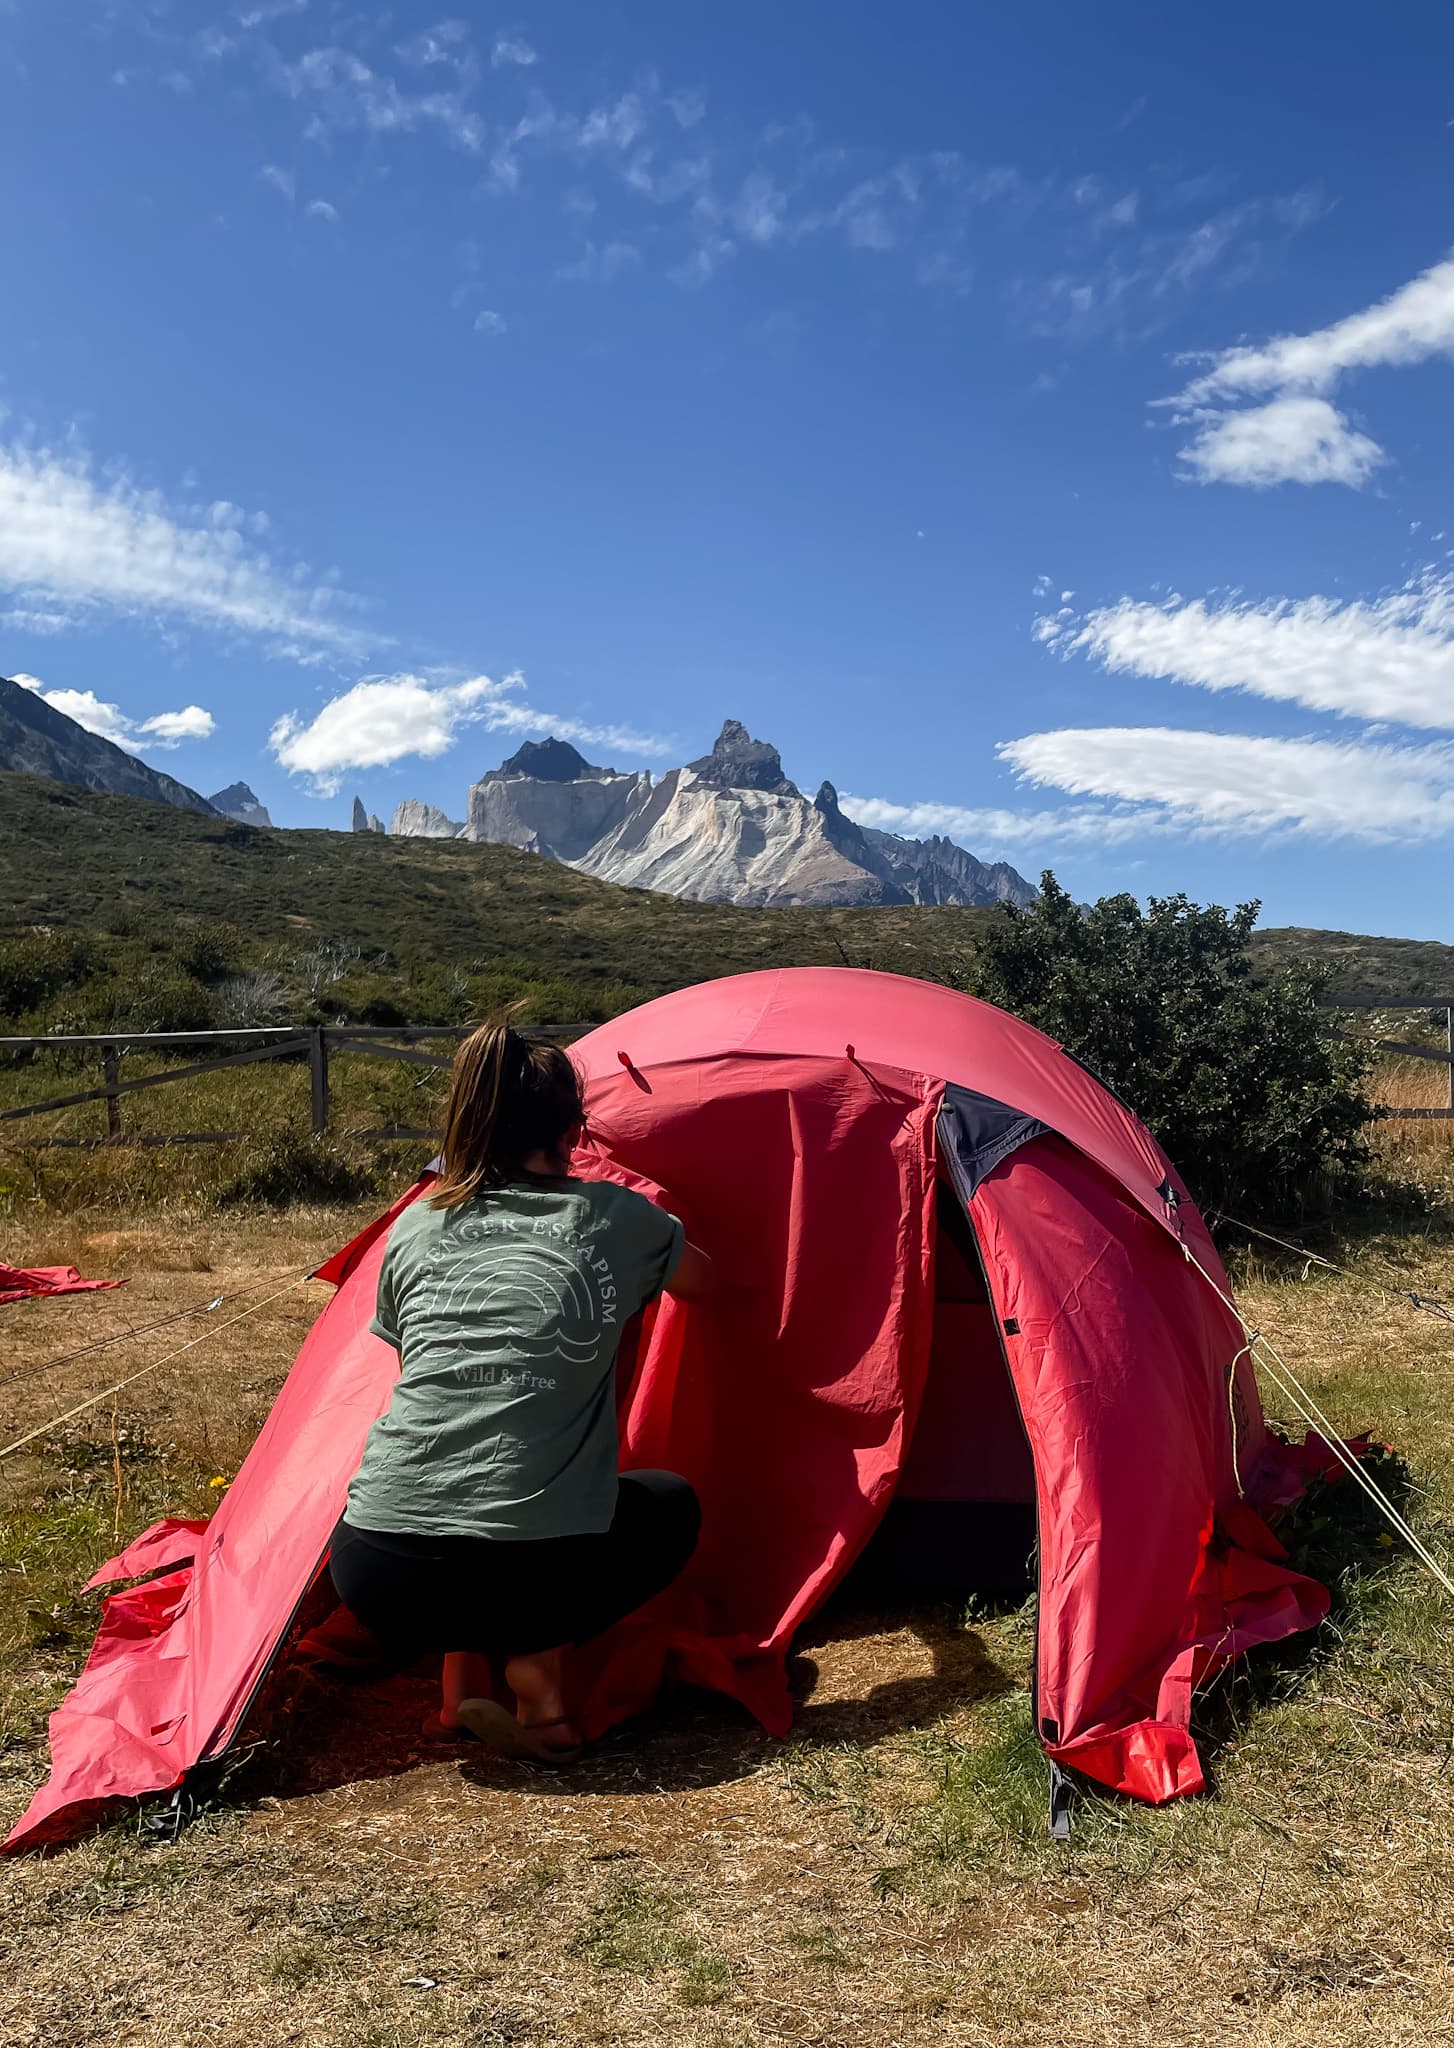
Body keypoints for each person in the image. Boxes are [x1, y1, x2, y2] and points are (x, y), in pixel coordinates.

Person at [326, 1019, 713, 1761]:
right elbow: (714, 1285)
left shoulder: (416, 1225)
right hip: (531, 1573)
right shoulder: (616, 1218)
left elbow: (436, 1372)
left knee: (466, 1507)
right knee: (666, 1506)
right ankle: (540, 1680)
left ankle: (456, 1688)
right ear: (574, 1127)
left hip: (376, 1572)